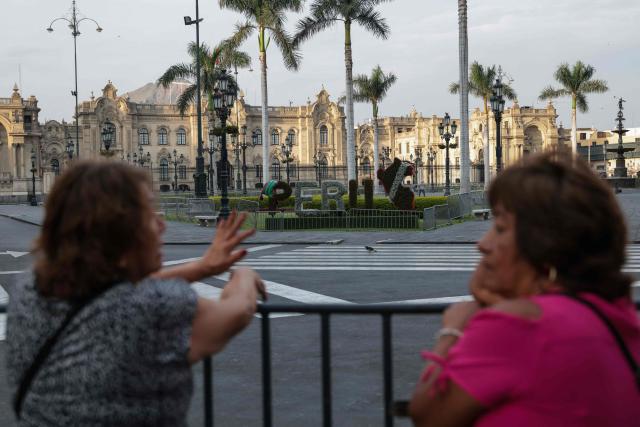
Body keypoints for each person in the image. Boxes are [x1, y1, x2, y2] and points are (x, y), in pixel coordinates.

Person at [6, 160, 266, 426]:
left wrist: (201, 268)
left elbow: (107, 293)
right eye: (149, 214)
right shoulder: (151, 307)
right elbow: (237, 311)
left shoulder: (31, 290)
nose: (162, 226)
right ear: (118, 230)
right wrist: (244, 275)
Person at [409, 150, 640, 426]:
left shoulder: (518, 325)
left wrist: (452, 331)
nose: (482, 243)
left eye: (501, 228)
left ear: (543, 243)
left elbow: (427, 415)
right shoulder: (616, 316)